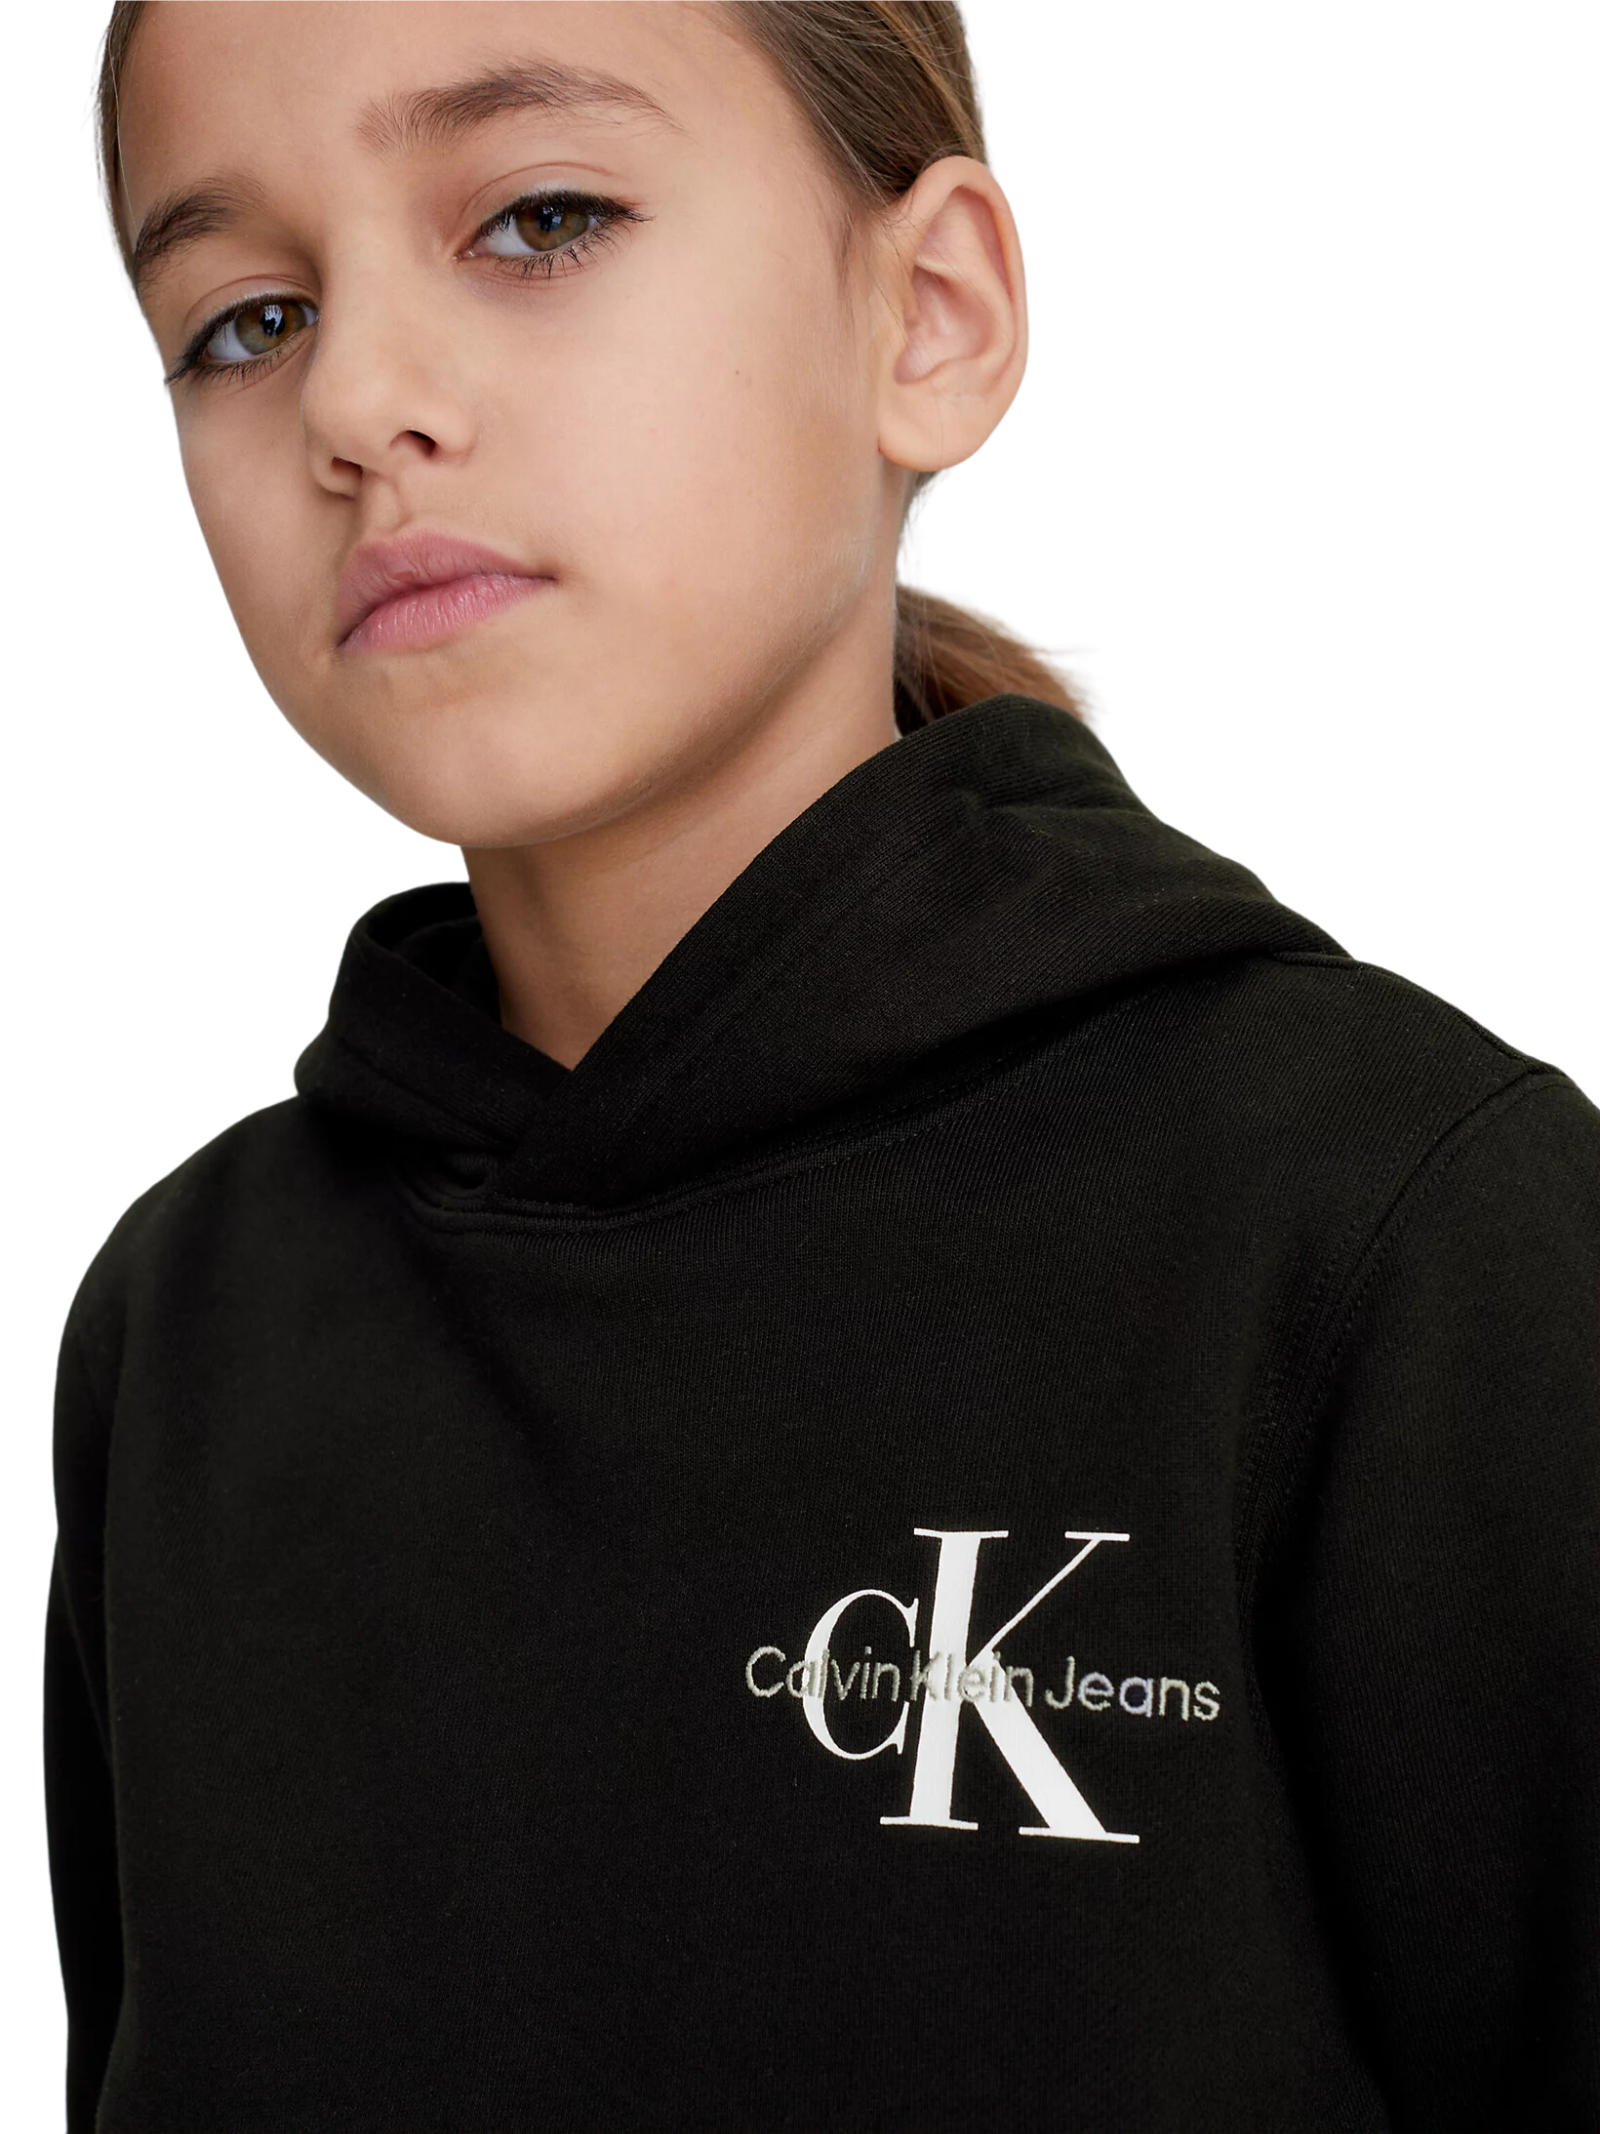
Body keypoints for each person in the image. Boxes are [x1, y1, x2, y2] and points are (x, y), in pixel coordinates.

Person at [46, 3, 1598, 2130]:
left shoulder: (1404, 1238)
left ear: (929, 313)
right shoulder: (189, 1324)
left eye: (540, 218)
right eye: (248, 318)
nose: (357, 400)